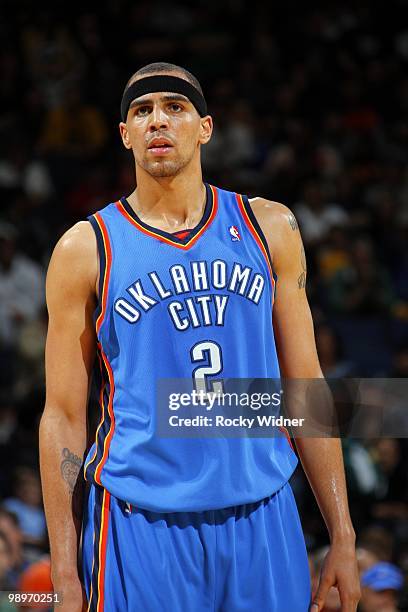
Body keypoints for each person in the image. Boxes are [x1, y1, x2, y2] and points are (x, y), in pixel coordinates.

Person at [39, 62, 360, 611]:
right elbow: (64, 416)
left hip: (263, 513)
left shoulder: (269, 227)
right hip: (141, 524)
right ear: (125, 135)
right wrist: (65, 574)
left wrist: (344, 535)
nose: (157, 122)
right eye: (141, 112)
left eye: (174, 107)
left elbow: (305, 385)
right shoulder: (85, 249)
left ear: (205, 127)